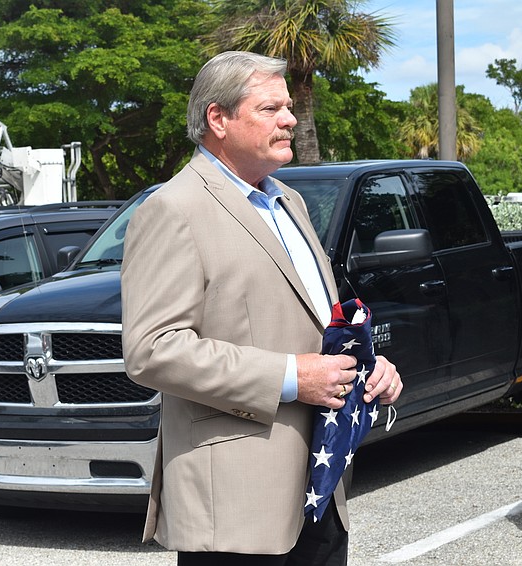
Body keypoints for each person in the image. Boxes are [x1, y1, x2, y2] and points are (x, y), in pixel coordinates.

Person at [120, 51, 403, 565]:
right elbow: (152, 350)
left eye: (288, 107)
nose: (289, 120)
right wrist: (293, 377)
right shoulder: (173, 209)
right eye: (271, 108)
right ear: (218, 119)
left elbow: (319, 322)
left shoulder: (289, 201)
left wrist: (367, 367)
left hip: (319, 488)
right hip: (237, 503)